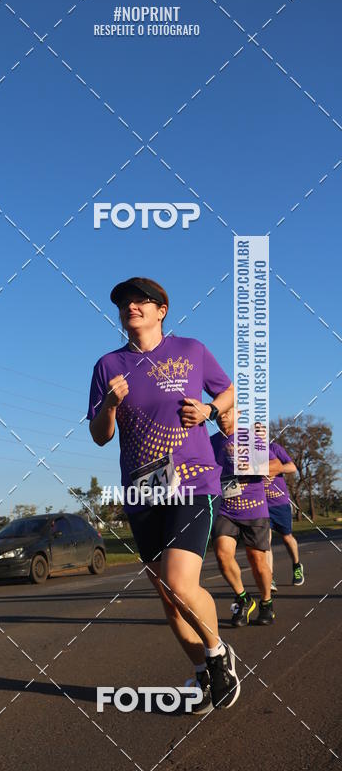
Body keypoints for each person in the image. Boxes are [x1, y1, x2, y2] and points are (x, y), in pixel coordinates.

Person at [88, 277, 239, 713]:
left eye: (140, 301)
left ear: (161, 310)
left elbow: (228, 392)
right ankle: (204, 672)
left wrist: (210, 409)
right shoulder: (107, 365)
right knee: (170, 600)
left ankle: (217, 656)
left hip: (192, 483)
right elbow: (100, 436)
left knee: (180, 583)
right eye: (123, 303)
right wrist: (110, 406)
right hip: (142, 492)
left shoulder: (191, 350)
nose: (130, 307)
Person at [211, 410, 274, 626]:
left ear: (238, 413)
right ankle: (243, 598)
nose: (223, 416)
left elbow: (274, 465)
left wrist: (255, 466)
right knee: (222, 555)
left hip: (254, 509)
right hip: (225, 509)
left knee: (257, 561)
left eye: (228, 411)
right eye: (219, 412)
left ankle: (266, 603)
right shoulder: (211, 442)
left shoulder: (252, 439)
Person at [255, 424, 304, 588]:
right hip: (262, 504)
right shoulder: (249, 453)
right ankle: (270, 578)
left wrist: (275, 470)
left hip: (279, 502)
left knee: (287, 537)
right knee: (265, 542)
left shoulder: (274, 448)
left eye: (261, 431)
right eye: (255, 432)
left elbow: (292, 467)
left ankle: (297, 565)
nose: (258, 434)